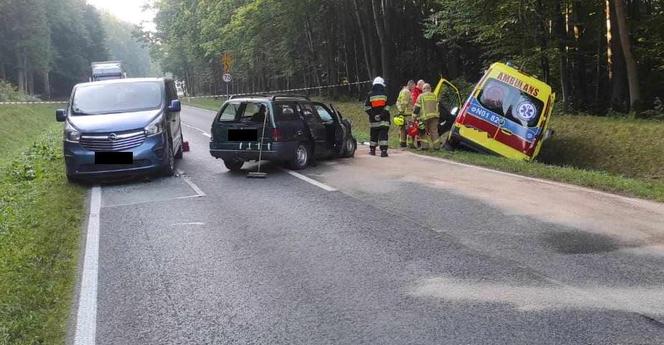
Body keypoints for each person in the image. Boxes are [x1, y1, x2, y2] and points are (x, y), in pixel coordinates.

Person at [364, 76, 391, 157]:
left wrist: (374, 116)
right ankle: (383, 151)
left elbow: (366, 107)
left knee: (373, 135)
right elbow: (388, 107)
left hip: (374, 121)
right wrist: (381, 115)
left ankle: (372, 150)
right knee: (383, 136)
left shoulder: (370, 94)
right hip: (384, 120)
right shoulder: (385, 94)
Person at [413, 83, 440, 150]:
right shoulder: (434, 96)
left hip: (424, 117)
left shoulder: (421, 96)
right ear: (430, 89)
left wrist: (414, 117)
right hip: (434, 117)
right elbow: (437, 107)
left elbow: (417, 108)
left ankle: (425, 147)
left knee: (423, 132)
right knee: (434, 131)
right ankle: (437, 147)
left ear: (423, 89)